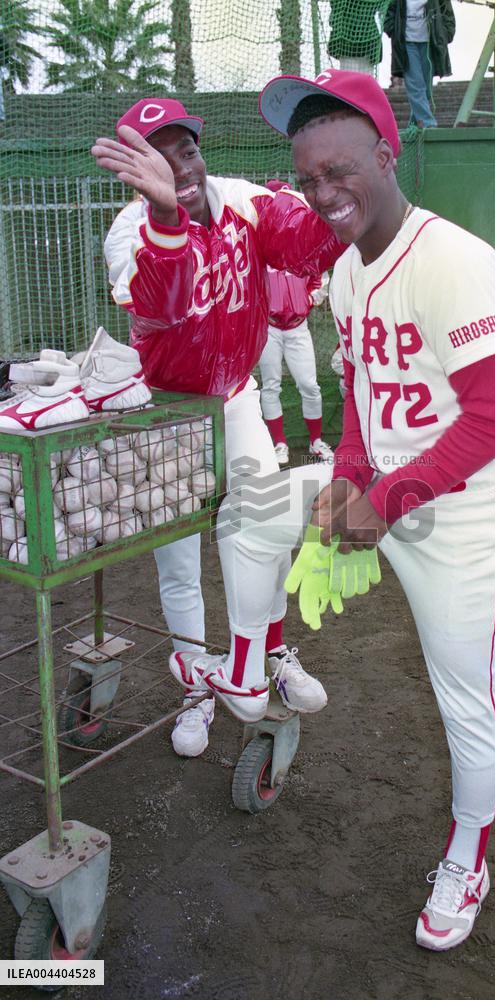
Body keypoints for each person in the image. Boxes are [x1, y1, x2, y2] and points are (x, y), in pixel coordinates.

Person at [198, 67, 495, 951]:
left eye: (339, 170)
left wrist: (382, 501)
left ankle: (468, 854)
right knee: (253, 509)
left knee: (465, 698)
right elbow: (358, 395)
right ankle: (246, 666)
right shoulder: (346, 273)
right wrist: (347, 476)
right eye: (306, 178)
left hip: (461, 514)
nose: (322, 192)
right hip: (380, 489)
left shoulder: (453, 258)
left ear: (386, 154)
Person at [91, 98, 344, 757]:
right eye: (159, 152)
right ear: (133, 168)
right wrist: (167, 220)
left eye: (187, 148)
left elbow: (314, 242)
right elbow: (162, 308)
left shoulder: (241, 199)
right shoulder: (129, 231)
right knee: (179, 563)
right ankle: (197, 690)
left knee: (262, 523)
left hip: (233, 397)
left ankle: (268, 655)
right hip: (164, 412)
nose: (179, 164)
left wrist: (342, 193)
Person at [259, 181, 333, 466]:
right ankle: (279, 444)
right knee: (271, 385)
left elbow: (319, 278)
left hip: (297, 327)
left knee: (309, 385)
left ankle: (316, 441)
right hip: (269, 327)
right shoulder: (257, 242)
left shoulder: (301, 242)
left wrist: (308, 299)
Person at [384, 0, 455, 128]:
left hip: (430, 43)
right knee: (416, 85)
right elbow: (388, 12)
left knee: (426, 89)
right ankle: (428, 123)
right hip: (406, 43)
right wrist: (393, 31)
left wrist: (445, 35)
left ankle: (415, 122)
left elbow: (447, 13)